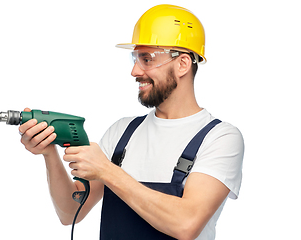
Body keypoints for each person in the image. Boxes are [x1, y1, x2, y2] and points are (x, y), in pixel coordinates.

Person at [18, 4, 244, 240]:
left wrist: (107, 171)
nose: (135, 71)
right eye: (135, 58)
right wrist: (49, 153)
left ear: (183, 64)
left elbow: (186, 224)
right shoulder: (121, 132)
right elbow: (70, 211)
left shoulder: (220, 138)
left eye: (147, 59)